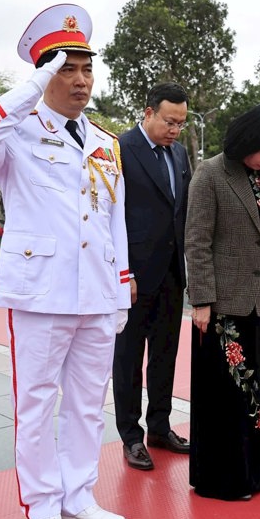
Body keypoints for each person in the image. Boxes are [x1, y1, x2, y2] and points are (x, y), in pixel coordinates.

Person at [0, 4, 131, 519]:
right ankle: (43, 502)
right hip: (42, 291)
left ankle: (79, 494)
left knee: (86, 400)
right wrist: (32, 83)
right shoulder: (14, 133)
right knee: (35, 401)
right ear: (43, 74)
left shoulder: (106, 142)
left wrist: (122, 285)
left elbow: (114, 219)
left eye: (86, 68)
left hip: (98, 292)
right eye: (65, 68)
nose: (80, 80)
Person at [185, 104, 260, 500]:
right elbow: (196, 242)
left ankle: (258, 471)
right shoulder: (210, 174)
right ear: (246, 141)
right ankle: (223, 478)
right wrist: (201, 300)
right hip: (222, 305)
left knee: (258, 389)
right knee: (227, 395)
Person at [111, 82, 192, 472]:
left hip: (173, 274)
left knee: (165, 354)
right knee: (128, 359)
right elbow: (112, 216)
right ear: (148, 113)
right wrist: (122, 271)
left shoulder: (179, 154)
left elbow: (183, 211)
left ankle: (160, 425)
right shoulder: (120, 151)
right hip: (135, 275)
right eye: (169, 121)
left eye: (181, 122)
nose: (175, 129)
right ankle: (131, 435)